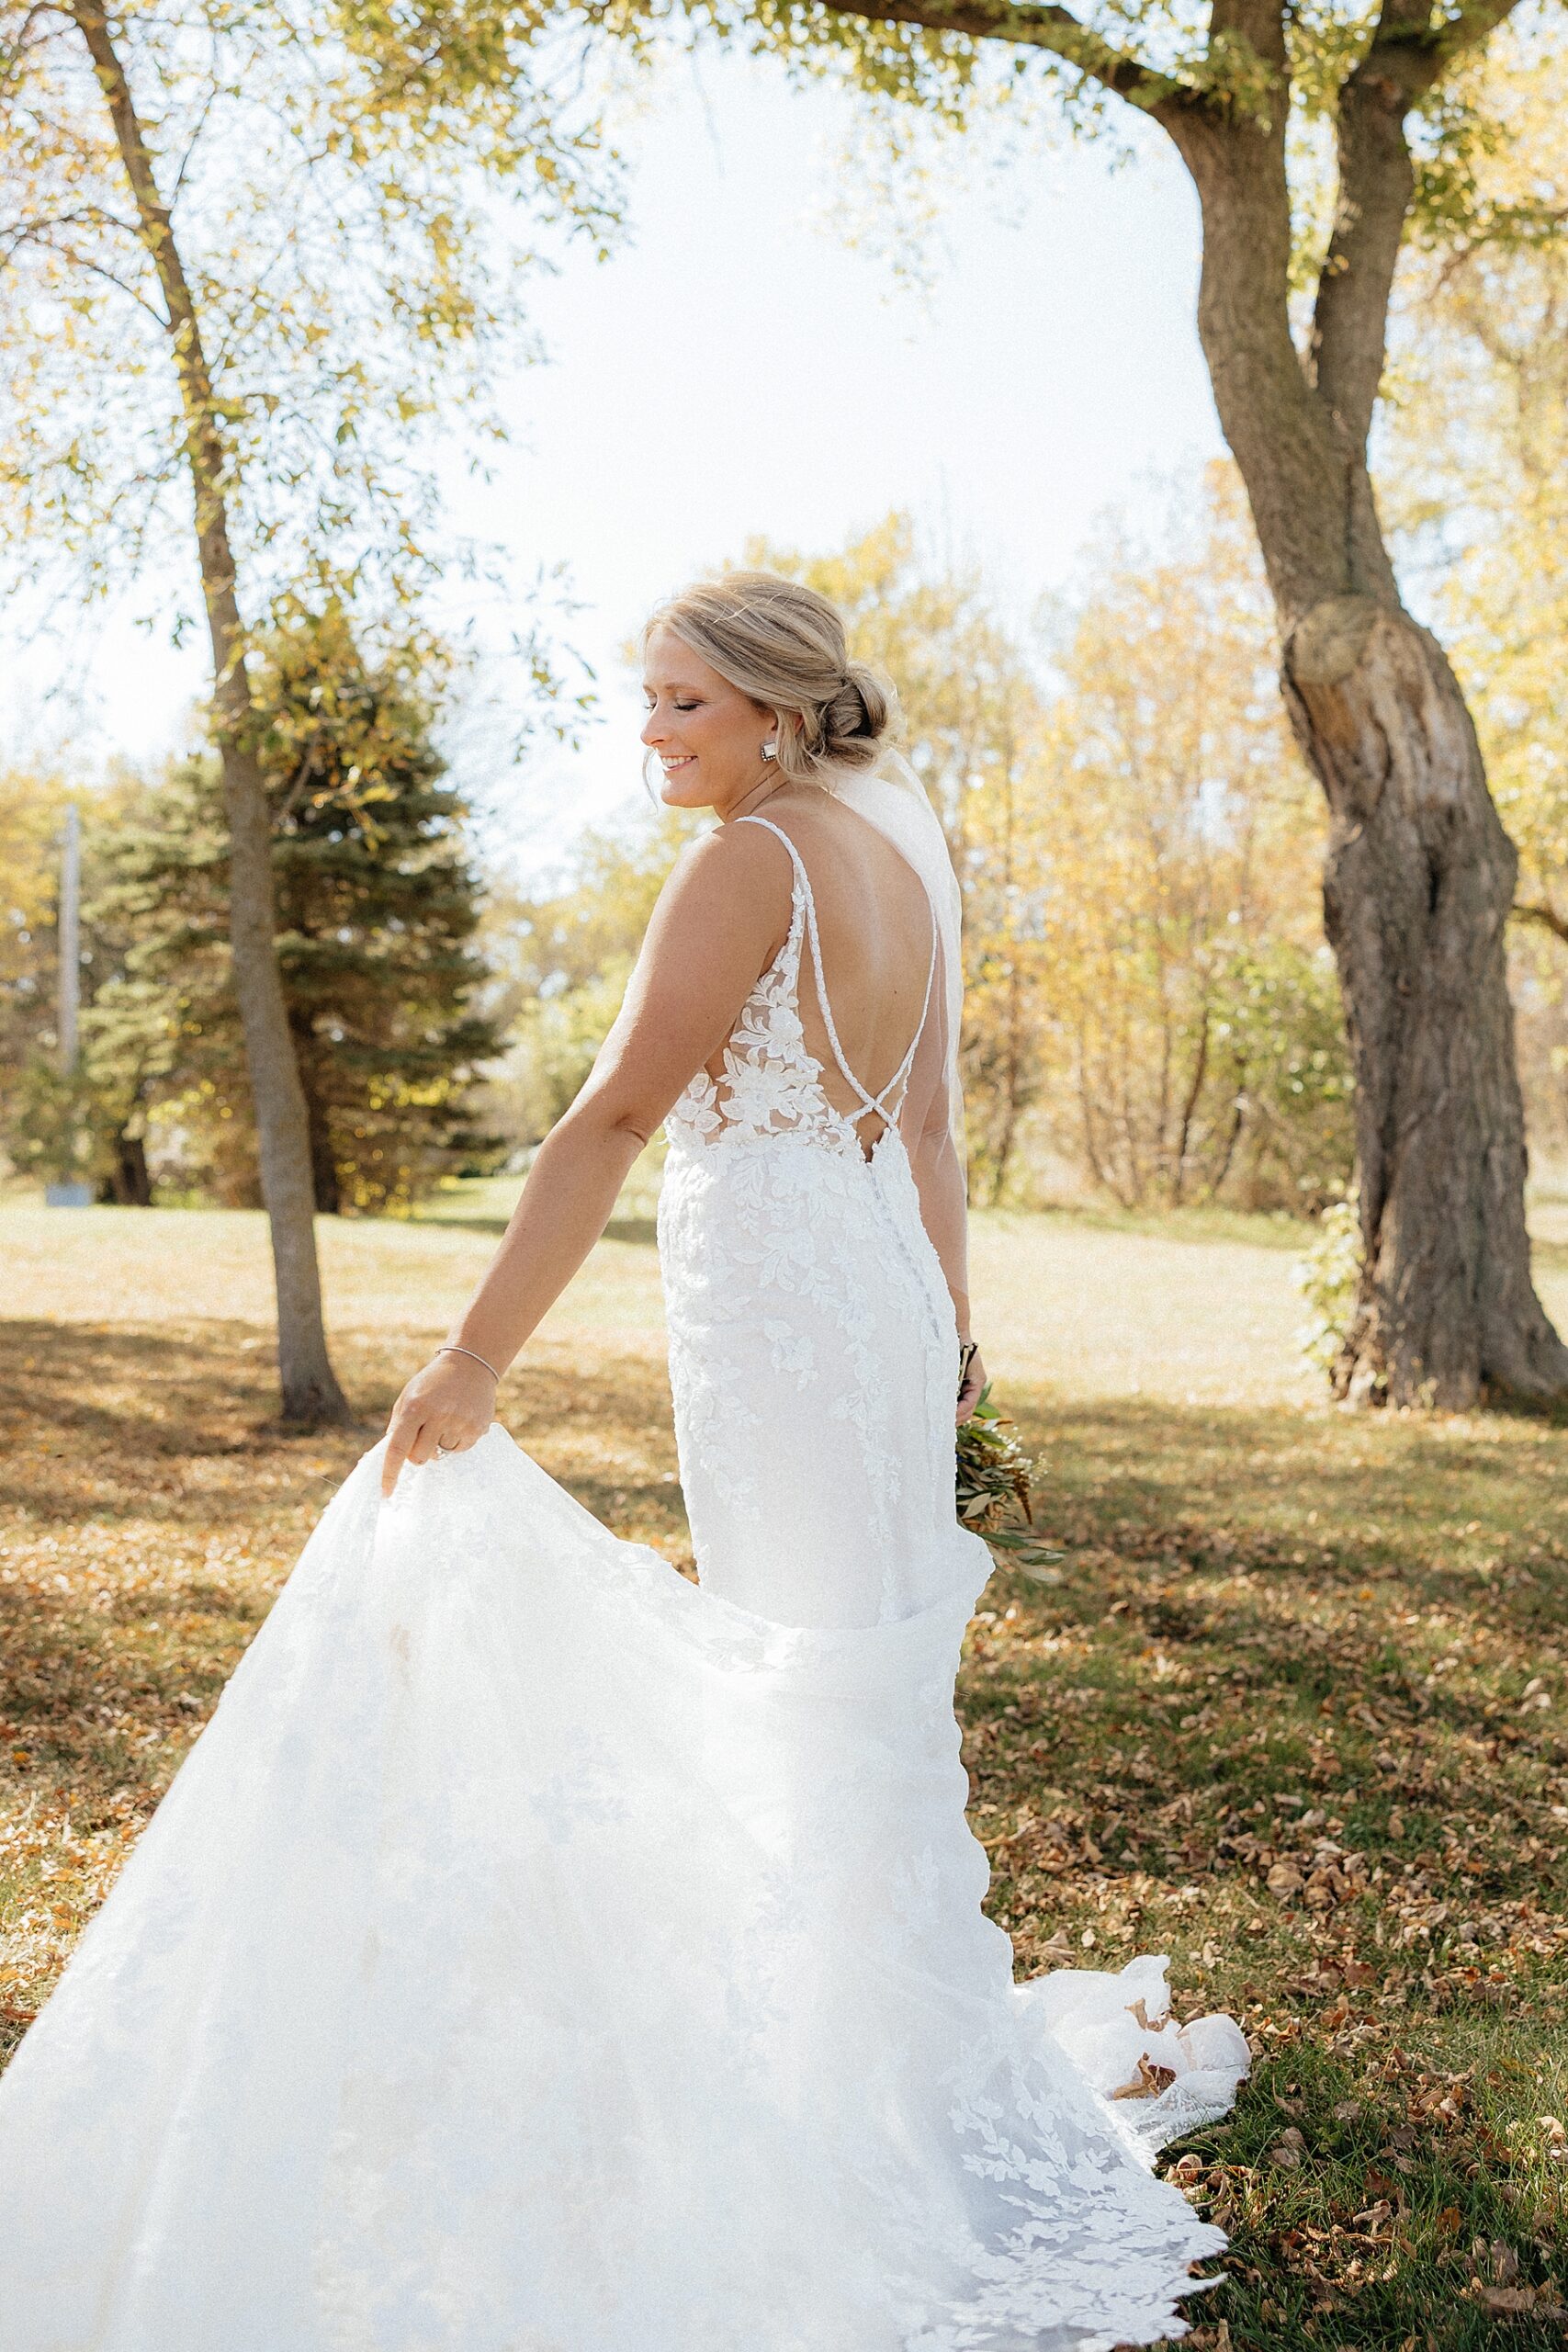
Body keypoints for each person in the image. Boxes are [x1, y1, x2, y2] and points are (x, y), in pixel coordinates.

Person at [0, 572, 1247, 2349]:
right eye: (647, 699)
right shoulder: (897, 865)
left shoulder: (752, 862)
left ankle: (840, 2118)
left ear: (779, 712)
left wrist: (472, 1357)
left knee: (805, 1679)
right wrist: (955, 1348)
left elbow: (611, 1118)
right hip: (876, 1308)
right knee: (851, 1677)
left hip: (787, 1331)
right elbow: (930, 1136)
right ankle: (875, 2055)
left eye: (683, 702)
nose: (651, 733)